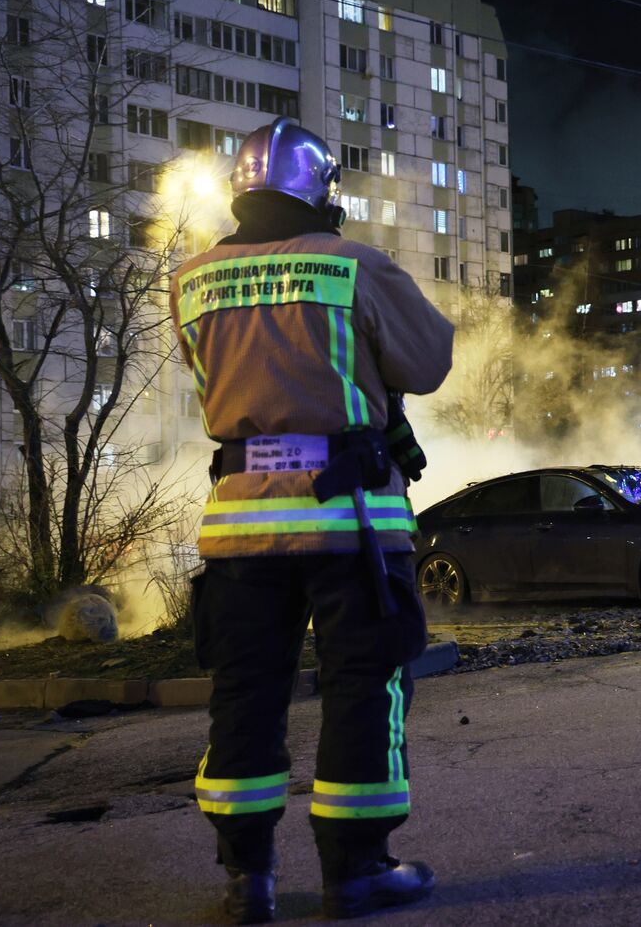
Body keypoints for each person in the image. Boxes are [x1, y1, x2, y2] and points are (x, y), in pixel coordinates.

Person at [169, 117, 455, 922]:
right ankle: (356, 871)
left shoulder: (192, 280)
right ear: (325, 192)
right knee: (364, 685)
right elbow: (428, 363)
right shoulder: (355, 265)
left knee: (246, 689)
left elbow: (212, 384)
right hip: (350, 522)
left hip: (239, 529)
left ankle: (245, 879)